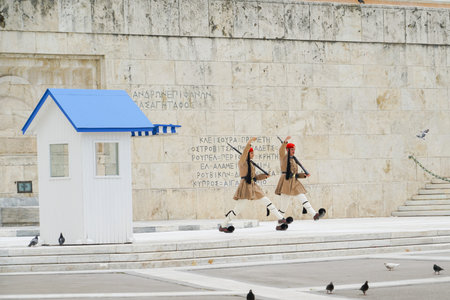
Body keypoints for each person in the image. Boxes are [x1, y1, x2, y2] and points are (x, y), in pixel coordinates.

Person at [219, 137, 288, 233]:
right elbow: (244, 154)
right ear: (247, 153)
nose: (253, 154)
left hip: (253, 186)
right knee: (238, 209)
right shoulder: (242, 162)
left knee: (266, 200)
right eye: (251, 153)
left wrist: (265, 176)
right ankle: (223, 225)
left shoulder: (250, 164)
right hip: (245, 187)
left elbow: (254, 177)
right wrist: (249, 143)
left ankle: (281, 218)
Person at [275, 136, 325, 224]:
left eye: (294, 149)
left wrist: (304, 175)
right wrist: (285, 142)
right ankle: (280, 220)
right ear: (287, 150)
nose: (293, 151)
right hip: (286, 182)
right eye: (291, 149)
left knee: (303, 198)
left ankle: (314, 214)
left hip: (294, 182)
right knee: (284, 206)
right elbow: (281, 151)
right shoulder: (284, 158)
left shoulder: (293, 159)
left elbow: (295, 174)